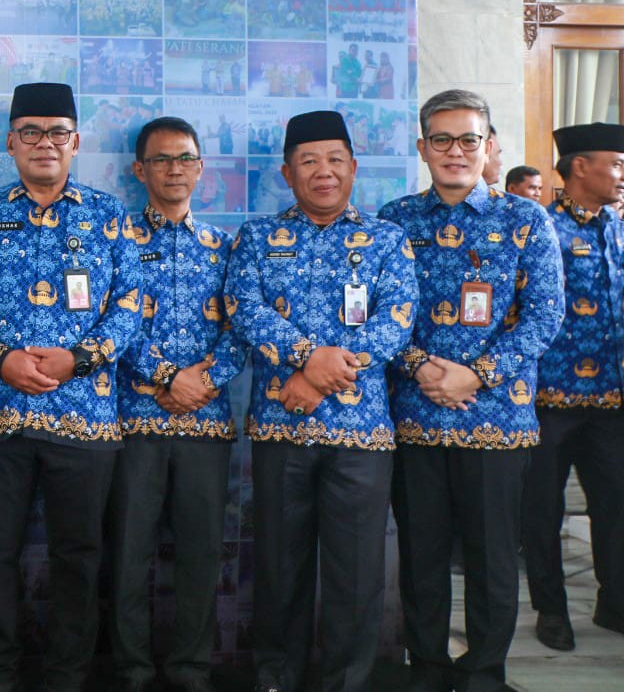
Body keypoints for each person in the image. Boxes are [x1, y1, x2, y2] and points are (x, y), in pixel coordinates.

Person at [0, 82, 143, 692]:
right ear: (10, 142)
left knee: (78, 557)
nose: (45, 143)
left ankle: (66, 676)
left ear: (76, 142)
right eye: (30, 132)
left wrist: (78, 359)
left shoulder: (108, 215)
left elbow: (129, 306)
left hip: (84, 418)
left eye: (58, 132)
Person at [226, 109, 418, 692]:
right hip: (281, 428)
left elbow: (397, 321)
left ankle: (346, 682)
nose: (324, 171)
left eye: (335, 160)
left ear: (354, 167)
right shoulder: (258, 237)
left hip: (362, 434)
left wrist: (319, 378)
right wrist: (308, 356)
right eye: (308, 161)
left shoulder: (387, 239)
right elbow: (244, 308)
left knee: (355, 574)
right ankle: (275, 678)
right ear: (287, 173)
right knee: (279, 567)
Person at [379, 90, 564, 692]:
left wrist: (477, 374)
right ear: (422, 147)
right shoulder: (395, 220)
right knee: (422, 558)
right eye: (442, 139)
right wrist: (420, 368)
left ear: (489, 146)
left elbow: (544, 315)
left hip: (497, 421)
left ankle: (484, 672)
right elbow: (380, 315)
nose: (455, 151)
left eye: (468, 139)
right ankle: (428, 669)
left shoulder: (526, 219)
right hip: (415, 417)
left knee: (492, 561)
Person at [109, 117, 240, 692]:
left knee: (201, 556)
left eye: (185, 158)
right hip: (134, 422)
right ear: (140, 169)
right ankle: (131, 670)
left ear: (200, 167)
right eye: (161, 159)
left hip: (206, 423)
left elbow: (241, 327)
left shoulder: (223, 247)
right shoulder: (117, 240)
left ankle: (190, 669)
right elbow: (111, 322)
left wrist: (203, 382)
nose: (174, 169)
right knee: (128, 555)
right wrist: (166, 377)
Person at [523, 122, 624, 651]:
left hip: (612, 400)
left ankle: (615, 602)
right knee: (542, 512)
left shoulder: (620, 228)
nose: (622, 175)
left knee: (616, 507)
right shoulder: (541, 229)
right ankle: (551, 610)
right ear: (580, 166)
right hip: (548, 401)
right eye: (617, 163)